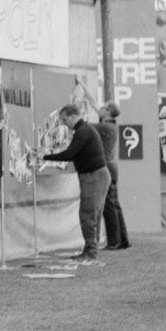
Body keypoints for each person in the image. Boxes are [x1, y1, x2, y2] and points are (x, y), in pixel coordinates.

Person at [40, 103, 111, 262]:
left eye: (65, 120)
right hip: (96, 175)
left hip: (94, 176)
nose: (64, 124)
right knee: (93, 214)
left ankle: (90, 251)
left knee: (87, 214)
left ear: (73, 116)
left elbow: (69, 154)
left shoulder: (82, 131)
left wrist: (44, 156)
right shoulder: (84, 130)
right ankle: (91, 249)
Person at [93, 101, 131, 250]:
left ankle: (114, 241)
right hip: (112, 167)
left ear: (108, 112)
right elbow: (95, 106)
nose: (100, 109)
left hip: (107, 167)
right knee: (114, 204)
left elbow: (83, 126)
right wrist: (82, 85)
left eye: (103, 108)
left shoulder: (104, 127)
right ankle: (122, 240)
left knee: (109, 206)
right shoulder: (111, 125)